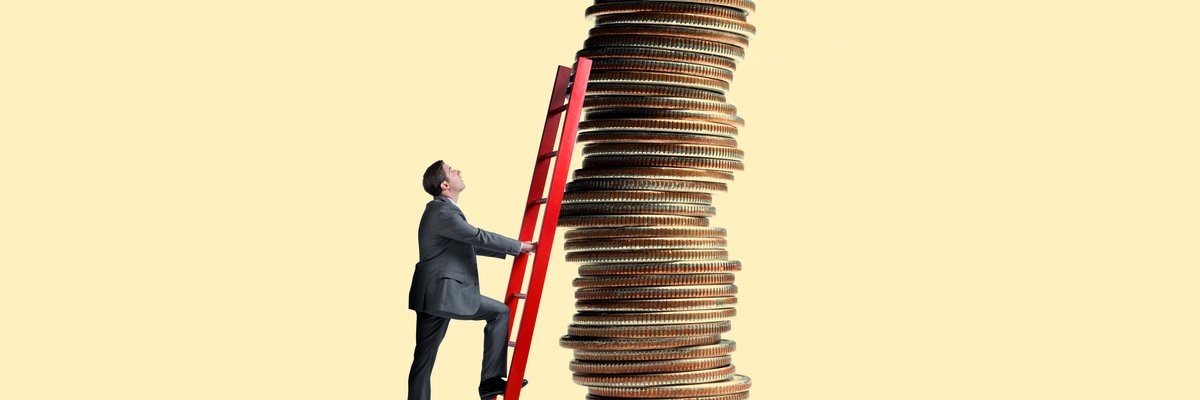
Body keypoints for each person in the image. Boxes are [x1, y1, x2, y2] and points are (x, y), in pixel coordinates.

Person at [407, 160, 535, 400]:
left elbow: (466, 243)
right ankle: (490, 381)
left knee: (422, 362)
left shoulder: (437, 211)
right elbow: (476, 236)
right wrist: (519, 246)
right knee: (500, 313)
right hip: (444, 293)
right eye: (451, 170)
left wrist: (510, 251)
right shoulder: (443, 211)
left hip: (428, 294)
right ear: (445, 184)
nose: (458, 171)